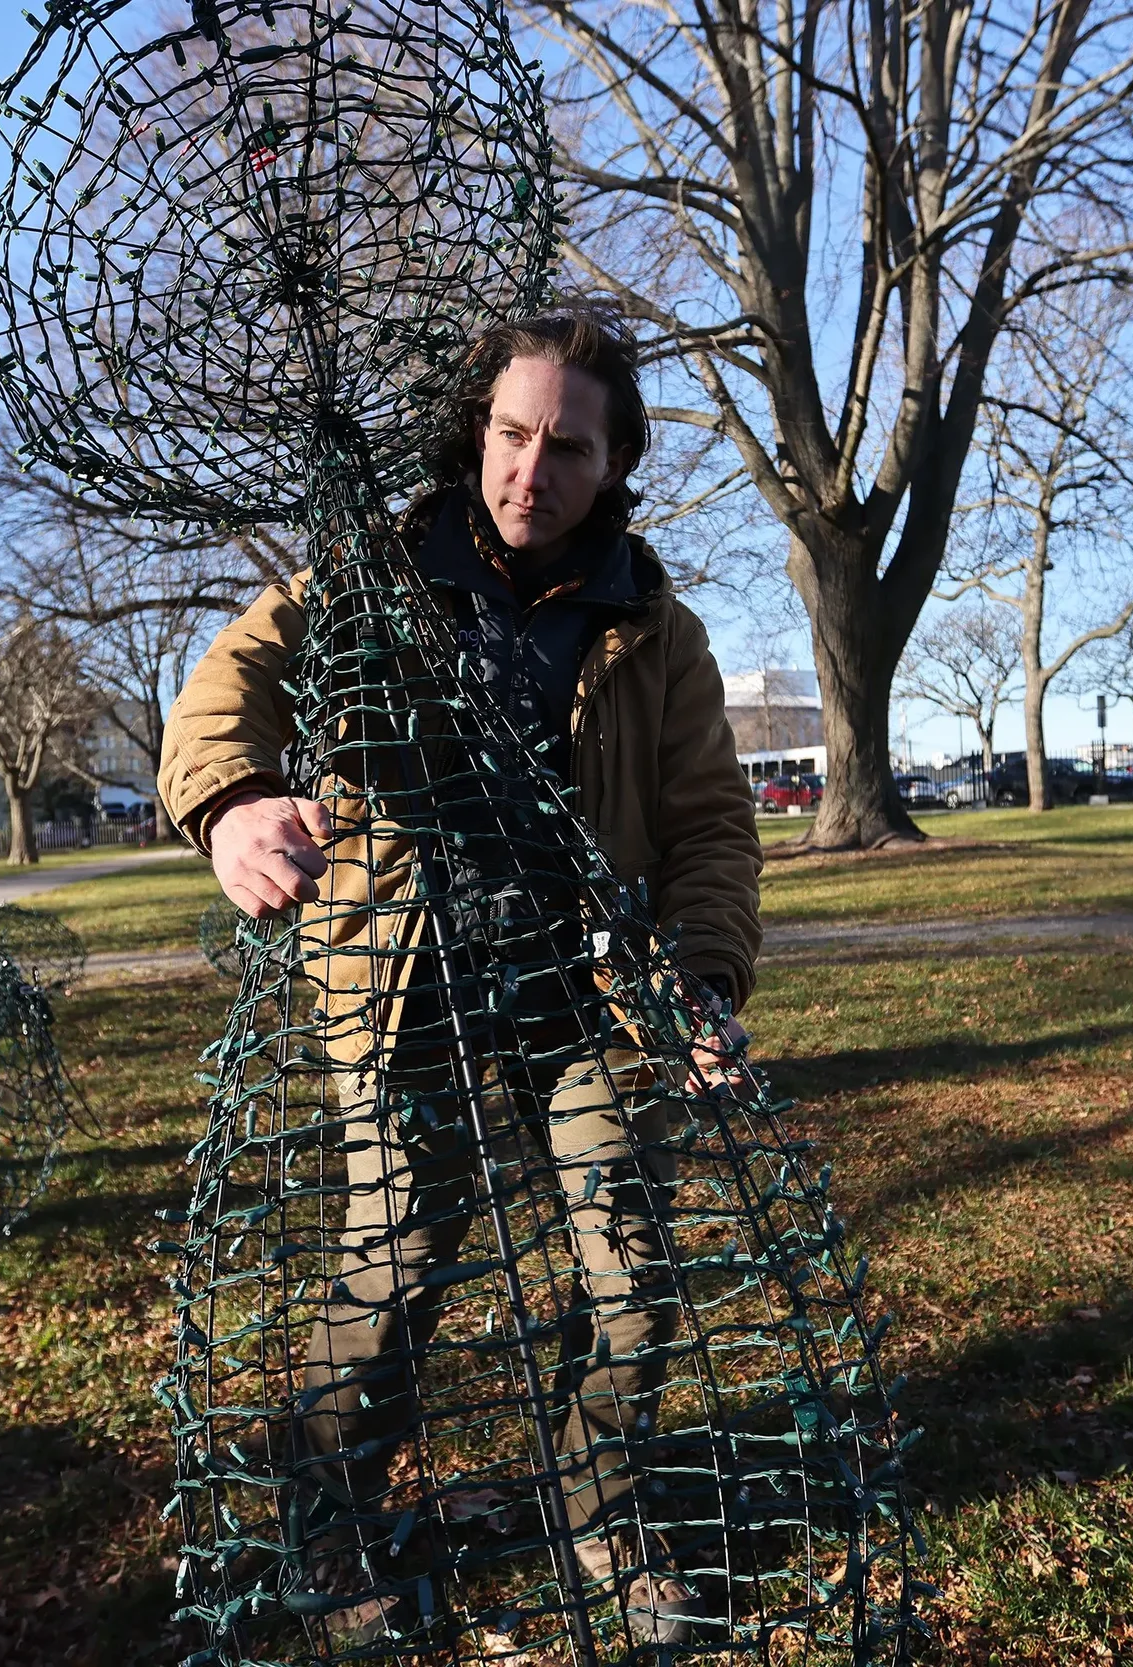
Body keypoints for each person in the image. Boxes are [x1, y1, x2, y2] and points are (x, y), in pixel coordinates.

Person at [158, 314, 762, 1645]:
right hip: (401, 975)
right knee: (398, 1250)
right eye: (511, 432)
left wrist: (706, 975)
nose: (530, 469)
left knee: (634, 1262)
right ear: (476, 432)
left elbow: (714, 820)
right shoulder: (374, 576)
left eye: (567, 446)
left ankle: (602, 1512)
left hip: (587, 988)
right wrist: (237, 801)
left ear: (613, 465)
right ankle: (331, 1523)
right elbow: (229, 684)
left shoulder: (656, 630)